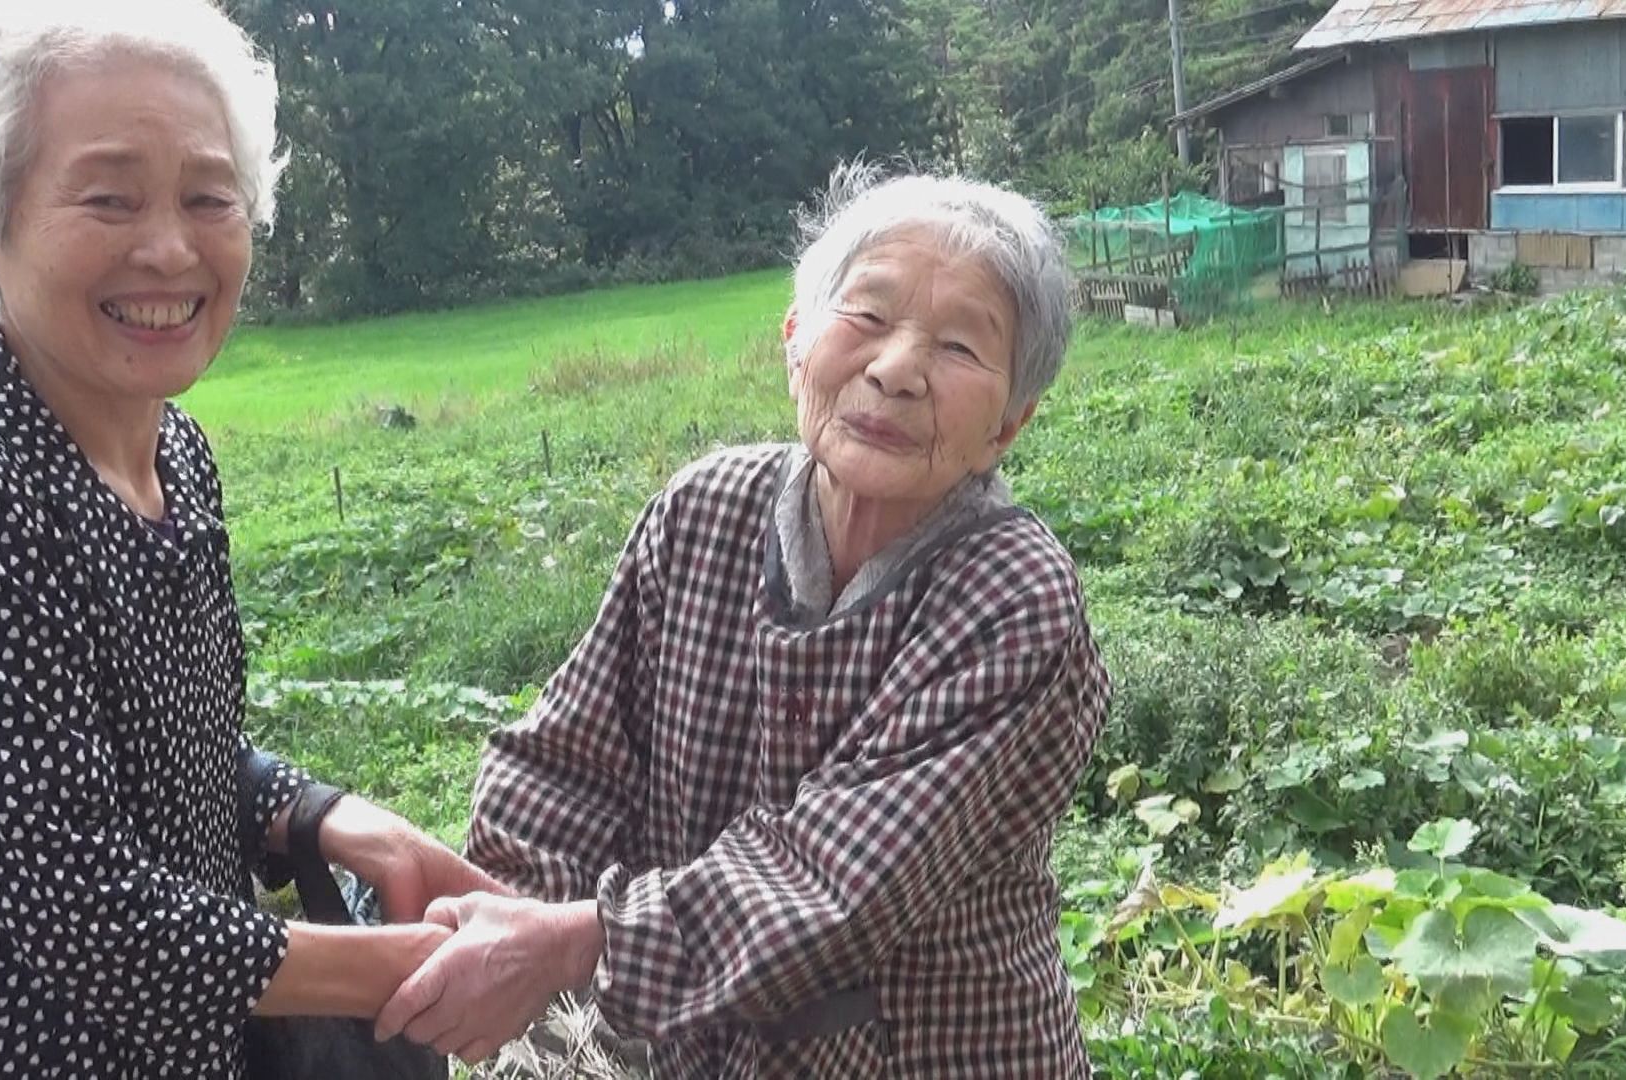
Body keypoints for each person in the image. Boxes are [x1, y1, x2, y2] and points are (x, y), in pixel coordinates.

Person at [0, 2, 497, 1075]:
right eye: (109, 198)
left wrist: (325, 816)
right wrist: (418, 968)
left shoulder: (177, 455)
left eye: (208, 197)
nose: (169, 249)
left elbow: (155, 760)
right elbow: (84, 908)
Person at [375, 166, 1112, 1075]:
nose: (896, 370)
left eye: (960, 347)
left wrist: (570, 946)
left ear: (1009, 423)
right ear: (796, 342)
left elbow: (835, 883)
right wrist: (502, 909)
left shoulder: (1015, 594)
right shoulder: (706, 509)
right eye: (867, 315)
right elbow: (566, 762)